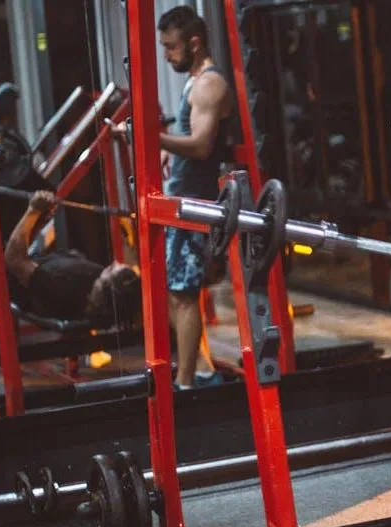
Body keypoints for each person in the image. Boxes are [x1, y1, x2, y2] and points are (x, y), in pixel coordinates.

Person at [113, 6, 232, 389]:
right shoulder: (194, 81)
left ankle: (184, 383)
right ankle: (194, 371)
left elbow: (200, 145)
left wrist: (151, 139)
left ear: (194, 44)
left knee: (183, 295)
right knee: (170, 292)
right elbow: (189, 133)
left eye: (171, 47)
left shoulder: (209, 85)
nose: (166, 55)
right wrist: (168, 148)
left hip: (193, 205)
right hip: (179, 199)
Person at [4, 191, 142, 329]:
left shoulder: (61, 286)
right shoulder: (92, 283)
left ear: (108, 285)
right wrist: (37, 219)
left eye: (112, 269)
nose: (114, 263)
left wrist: (34, 210)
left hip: (2, 272)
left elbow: (13, 259)